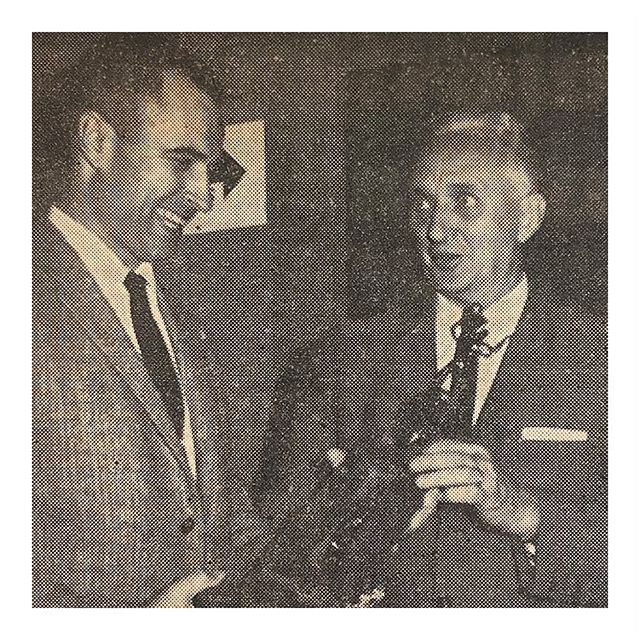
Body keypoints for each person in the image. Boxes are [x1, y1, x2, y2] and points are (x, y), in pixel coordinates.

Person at [253, 111, 607, 607]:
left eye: (464, 204)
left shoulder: (597, 364)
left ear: (526, 217)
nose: (436, 229)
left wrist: (527, 517)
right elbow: (277, 536)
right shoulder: (344, 359)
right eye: (425, 205)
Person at [32, 36, 265, 607]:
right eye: (182, 162)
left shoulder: (179, 298)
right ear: (97, 143)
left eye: (211, 171)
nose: (203, 196)